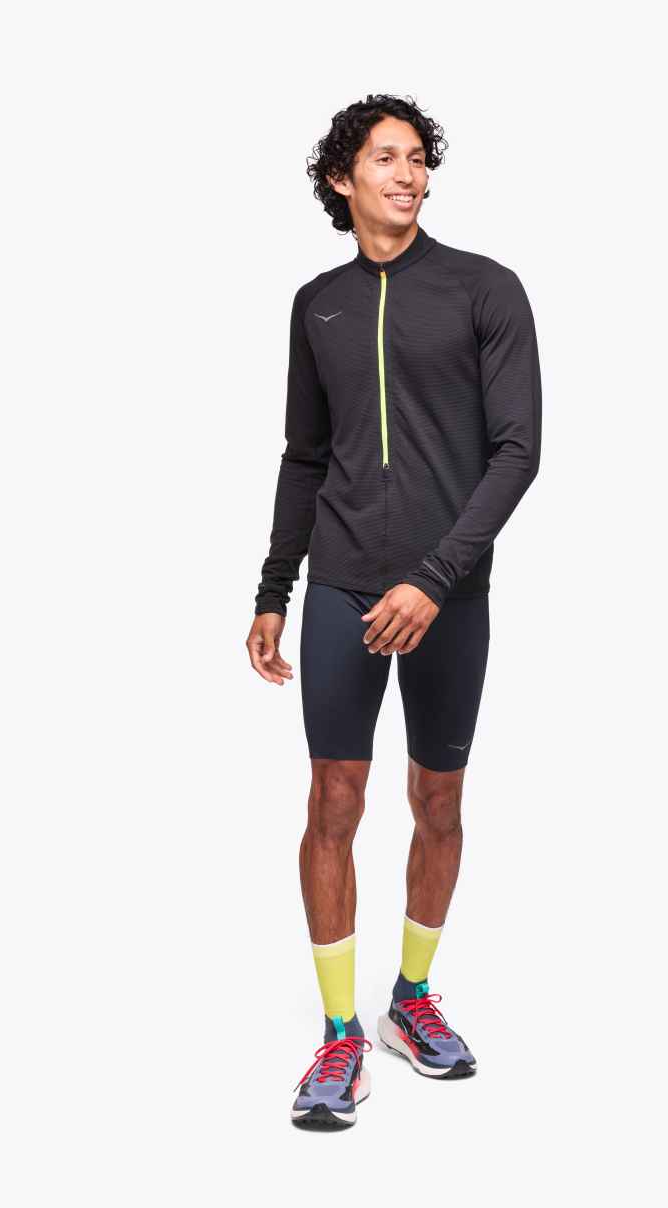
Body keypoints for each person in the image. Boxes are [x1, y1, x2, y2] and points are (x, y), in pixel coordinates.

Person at [247, 94, 542, 1130]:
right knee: (333, 800)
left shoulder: (483, 289)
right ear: (343, 179)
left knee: (438, 801)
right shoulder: (317, 304)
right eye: (385, 158)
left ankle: (411, 997)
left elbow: (518, 451)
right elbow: (305, 455)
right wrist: (274, 590)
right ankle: (340, 1032)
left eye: (418, 158)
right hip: (340, 585)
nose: (408, 174)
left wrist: (435, 577)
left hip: (447, 593)